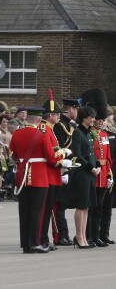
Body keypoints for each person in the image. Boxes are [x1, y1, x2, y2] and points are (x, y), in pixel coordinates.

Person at [9, 107, 70, 254]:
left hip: (22, 177)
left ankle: (26, 244)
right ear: (38, 120)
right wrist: (63, 153)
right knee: (37, 211)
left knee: (24, 211)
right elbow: (51, 157)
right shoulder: (42, 134)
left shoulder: (17, 134)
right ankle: (35, 243)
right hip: (39, 177)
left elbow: (13, 155)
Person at [61, 105, 100, 248]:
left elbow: (91, 153)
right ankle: (79, 236)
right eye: (91, 117)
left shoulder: (89, 133)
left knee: (87, 206)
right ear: (84, 118)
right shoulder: (78, 133)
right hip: (82, 173)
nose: (93, 120)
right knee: (82, 205)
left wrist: (98, 165)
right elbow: (77, 154)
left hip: (90, 173)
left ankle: (83, 236)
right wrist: (91, 168)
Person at [39, 100, 69, 251]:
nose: (59, 117)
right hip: (48, 174)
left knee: (49, 208)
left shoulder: (50, 129)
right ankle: (42, 239)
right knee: (46, 210)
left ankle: (45, 238)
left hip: (53, 173)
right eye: (57, 114)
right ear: (50, 115)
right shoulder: (45, 129)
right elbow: (51, 156)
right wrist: (63, 156)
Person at [52, 98, 80, 246]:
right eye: (76, 109)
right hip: (61, 167)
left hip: (69, 167)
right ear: (71, 109)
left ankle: (64, 234)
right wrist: (62, 169)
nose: (77, 112)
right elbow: (59, 148)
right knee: (58, 204)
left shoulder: (69, 125)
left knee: (62, 204)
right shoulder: (59, 126)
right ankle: (59, 236)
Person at [86, 111, 112, 247]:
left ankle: (96, 235)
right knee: (90, 207)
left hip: (102, 175)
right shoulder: (89, 134)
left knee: (99, 207)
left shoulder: (104, 135)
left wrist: (108, 174)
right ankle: (88, 235)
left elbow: (107, 158)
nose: (101, 121)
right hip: (92, 174)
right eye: (98, 119)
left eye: (103, 119)